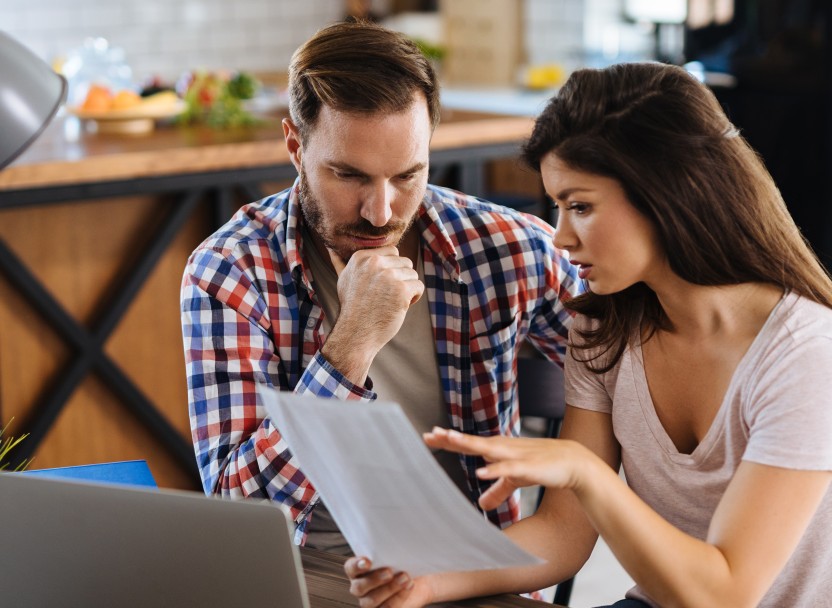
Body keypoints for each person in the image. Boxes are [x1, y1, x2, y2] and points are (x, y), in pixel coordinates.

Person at [345, 61, 832, 608]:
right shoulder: (605, 326)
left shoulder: (806, 353)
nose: (560, 237)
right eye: (558, 207)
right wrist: (428, 580)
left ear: (667, 192)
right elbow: (562, 535)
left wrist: (584, 474)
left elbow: (725, 594)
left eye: (581, 206)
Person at [180, 21, 581, 554]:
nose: (381, 211)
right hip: (312, 576)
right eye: (349, 176)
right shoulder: (230, 272)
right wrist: (350, 347)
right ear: (296, 146)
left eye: (407, 175)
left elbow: (632, 376)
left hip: (479, 573)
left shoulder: (508, 248)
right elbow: (240, 516)